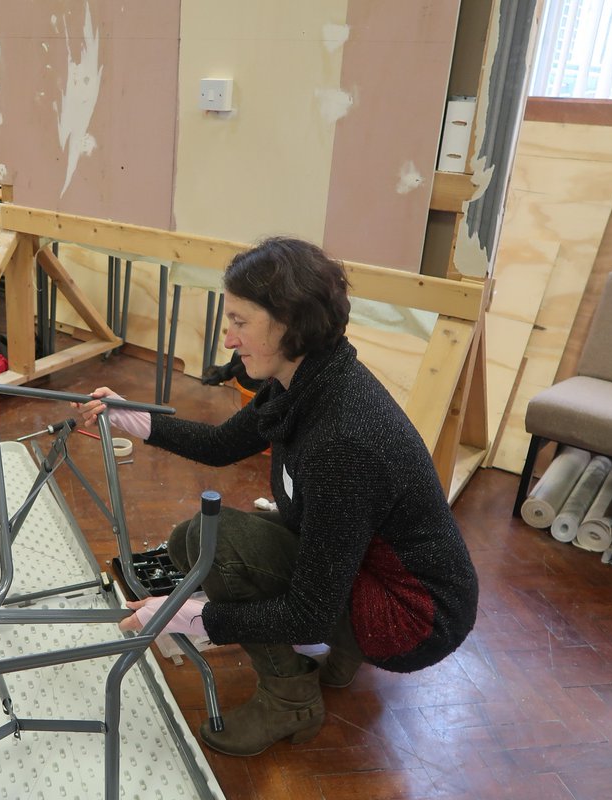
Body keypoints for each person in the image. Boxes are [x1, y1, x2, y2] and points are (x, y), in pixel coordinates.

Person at [75, 237, 478, 757]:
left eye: (240, 322)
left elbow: (308, 616)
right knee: (191, 541)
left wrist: (197, 618)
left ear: (289, 323)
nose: (228, 339)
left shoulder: (343, 437)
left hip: (412, 620)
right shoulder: (304, 379)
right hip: (379, 572)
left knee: (216, 546)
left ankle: (291, 701)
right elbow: (224, 445)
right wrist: (138, 419)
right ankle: (342, 657)